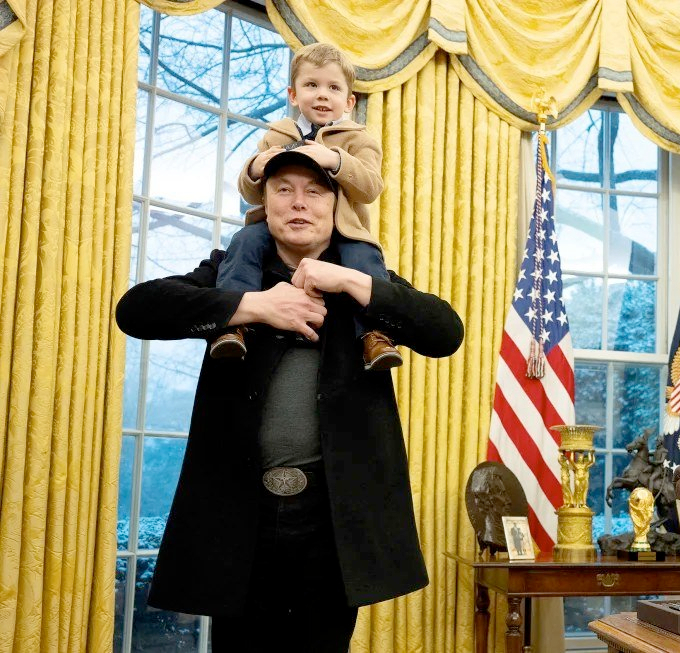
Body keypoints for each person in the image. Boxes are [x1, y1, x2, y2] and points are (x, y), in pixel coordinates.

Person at [115, 146, 463, 652]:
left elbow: (446, 332)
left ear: (337, 207)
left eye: (315, 192)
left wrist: (350, 280)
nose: (299, 202)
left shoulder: (363, 277)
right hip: (238, 518)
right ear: (267, 204)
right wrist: (252, 305)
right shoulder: (231, 271)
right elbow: (135, 310)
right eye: (284, 190)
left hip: (333, 522)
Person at [211, 42, 402, 371]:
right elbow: (252, 193)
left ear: (349, 101)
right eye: (312, 85)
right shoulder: (277, 135)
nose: (322, 95)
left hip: (343, 230)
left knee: (365, 258)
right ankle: (233, 326)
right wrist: (255, 167)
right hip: (279, 229)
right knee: (244, 241)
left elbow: (371, 187)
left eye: (333, 88)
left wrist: (336, 160)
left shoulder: (358, 140)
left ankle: (374, 335)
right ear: (293, 95)